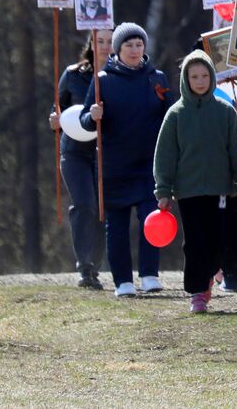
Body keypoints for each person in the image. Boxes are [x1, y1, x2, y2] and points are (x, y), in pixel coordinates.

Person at [153, 50, 237, 313]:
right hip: (189, 190)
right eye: (194, 76)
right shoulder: (175, 114)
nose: (199, 81)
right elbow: (165, 155)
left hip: (221, 190)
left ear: (212, 77)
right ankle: (198, 290)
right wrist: (163, 189)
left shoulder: (225, 112)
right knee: (195, 241)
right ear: (186, 79)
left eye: (205, 75)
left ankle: (210, 272)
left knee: (219, 240)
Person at [81, 23, 173, 297]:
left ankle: (149, 274)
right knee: (117, 226)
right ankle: (122, 280)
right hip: (114, 165)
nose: (135, 50)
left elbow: (170, 117)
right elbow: (86, 121)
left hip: (149, 164)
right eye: (128, 46)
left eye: (139, 45)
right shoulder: (103, 80)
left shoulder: (157, 78)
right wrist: (93, 115)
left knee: (151, 219)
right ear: (118, 50)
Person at [47, 30, 110, 289]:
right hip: (74, 152)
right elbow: (57, 109)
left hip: (107, 153)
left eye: (109, 41)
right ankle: (84, 266)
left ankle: (94, 266)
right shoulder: (73, 75)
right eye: (100, 40)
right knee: (84, 204)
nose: (105, 46)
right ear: (91, 43)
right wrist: (53, 121)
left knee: (101, 211)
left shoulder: (120, 76)